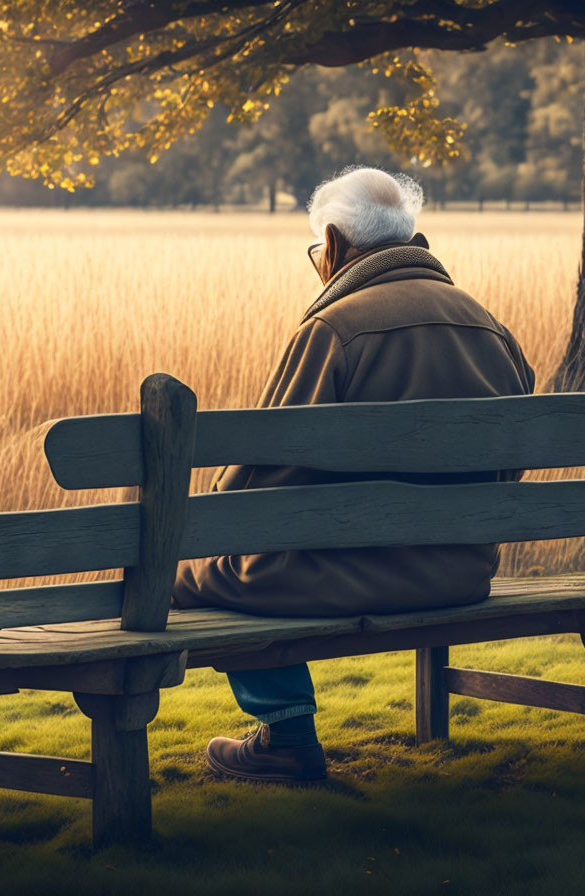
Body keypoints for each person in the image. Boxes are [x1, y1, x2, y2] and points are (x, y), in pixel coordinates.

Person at [173, 167, 535, 783]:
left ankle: (285, 733)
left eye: (320, 251)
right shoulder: (489, 327)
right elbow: (511, 465)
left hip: (352, 576)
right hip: (461, 571)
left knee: (193, 568)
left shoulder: (333, 329)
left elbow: (257, 491)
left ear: (335, 246)